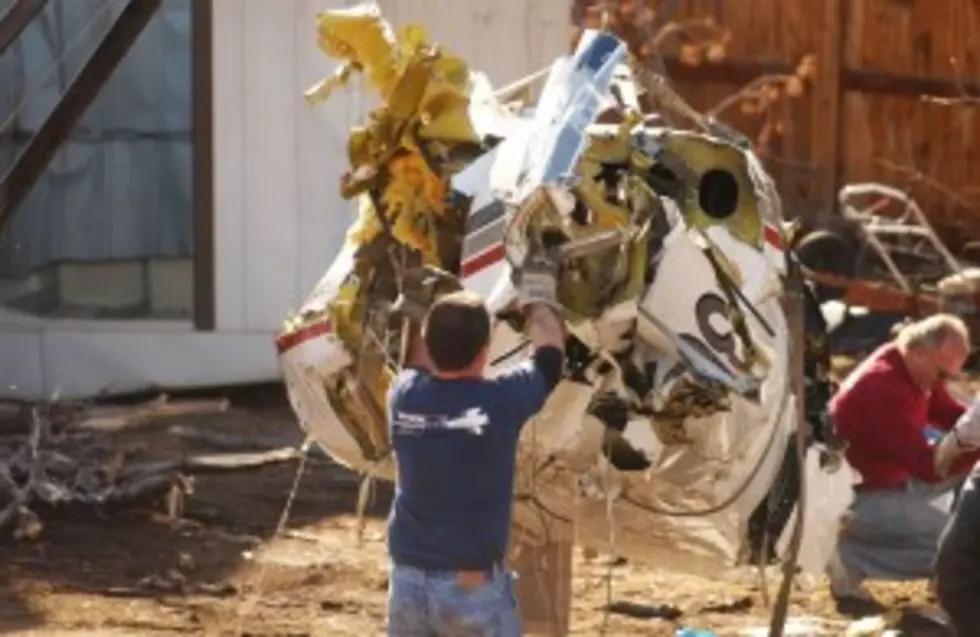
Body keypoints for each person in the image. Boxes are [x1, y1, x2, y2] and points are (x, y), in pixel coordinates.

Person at [383, 248, 566, 636]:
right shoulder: (500, 402)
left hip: (408, 584)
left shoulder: (403, 396)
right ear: (485, 355)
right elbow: (550, 356)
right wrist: (538, 296)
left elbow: (414, 362)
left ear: (430, 345)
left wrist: (423, 309)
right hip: (470, 590)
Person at [825, 313, 980, 615]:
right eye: (943, 374)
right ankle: (849, 558)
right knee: (956, 545)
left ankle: (940, 576)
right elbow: (927, 467)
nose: (944, 382)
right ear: (920, 351)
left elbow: (950, 414)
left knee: (963, 529)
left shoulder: (912, 366)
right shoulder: (882, 386)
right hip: (858, 498)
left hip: (893, 479)